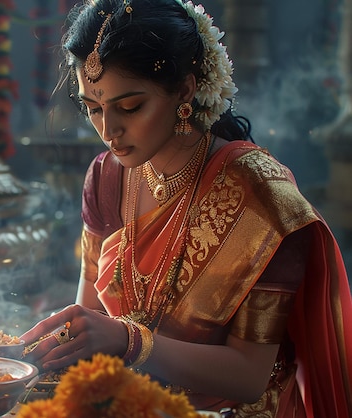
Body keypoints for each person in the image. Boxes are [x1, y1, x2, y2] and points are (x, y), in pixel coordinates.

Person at [20, 0, 352, 416]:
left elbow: (248, 376)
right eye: (92, 109)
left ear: (185, 90)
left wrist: (128, 341)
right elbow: (90, 320)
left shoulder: (260, 198)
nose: (109, 131)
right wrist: (22, 356)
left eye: (129, 107)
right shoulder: (106, 178)